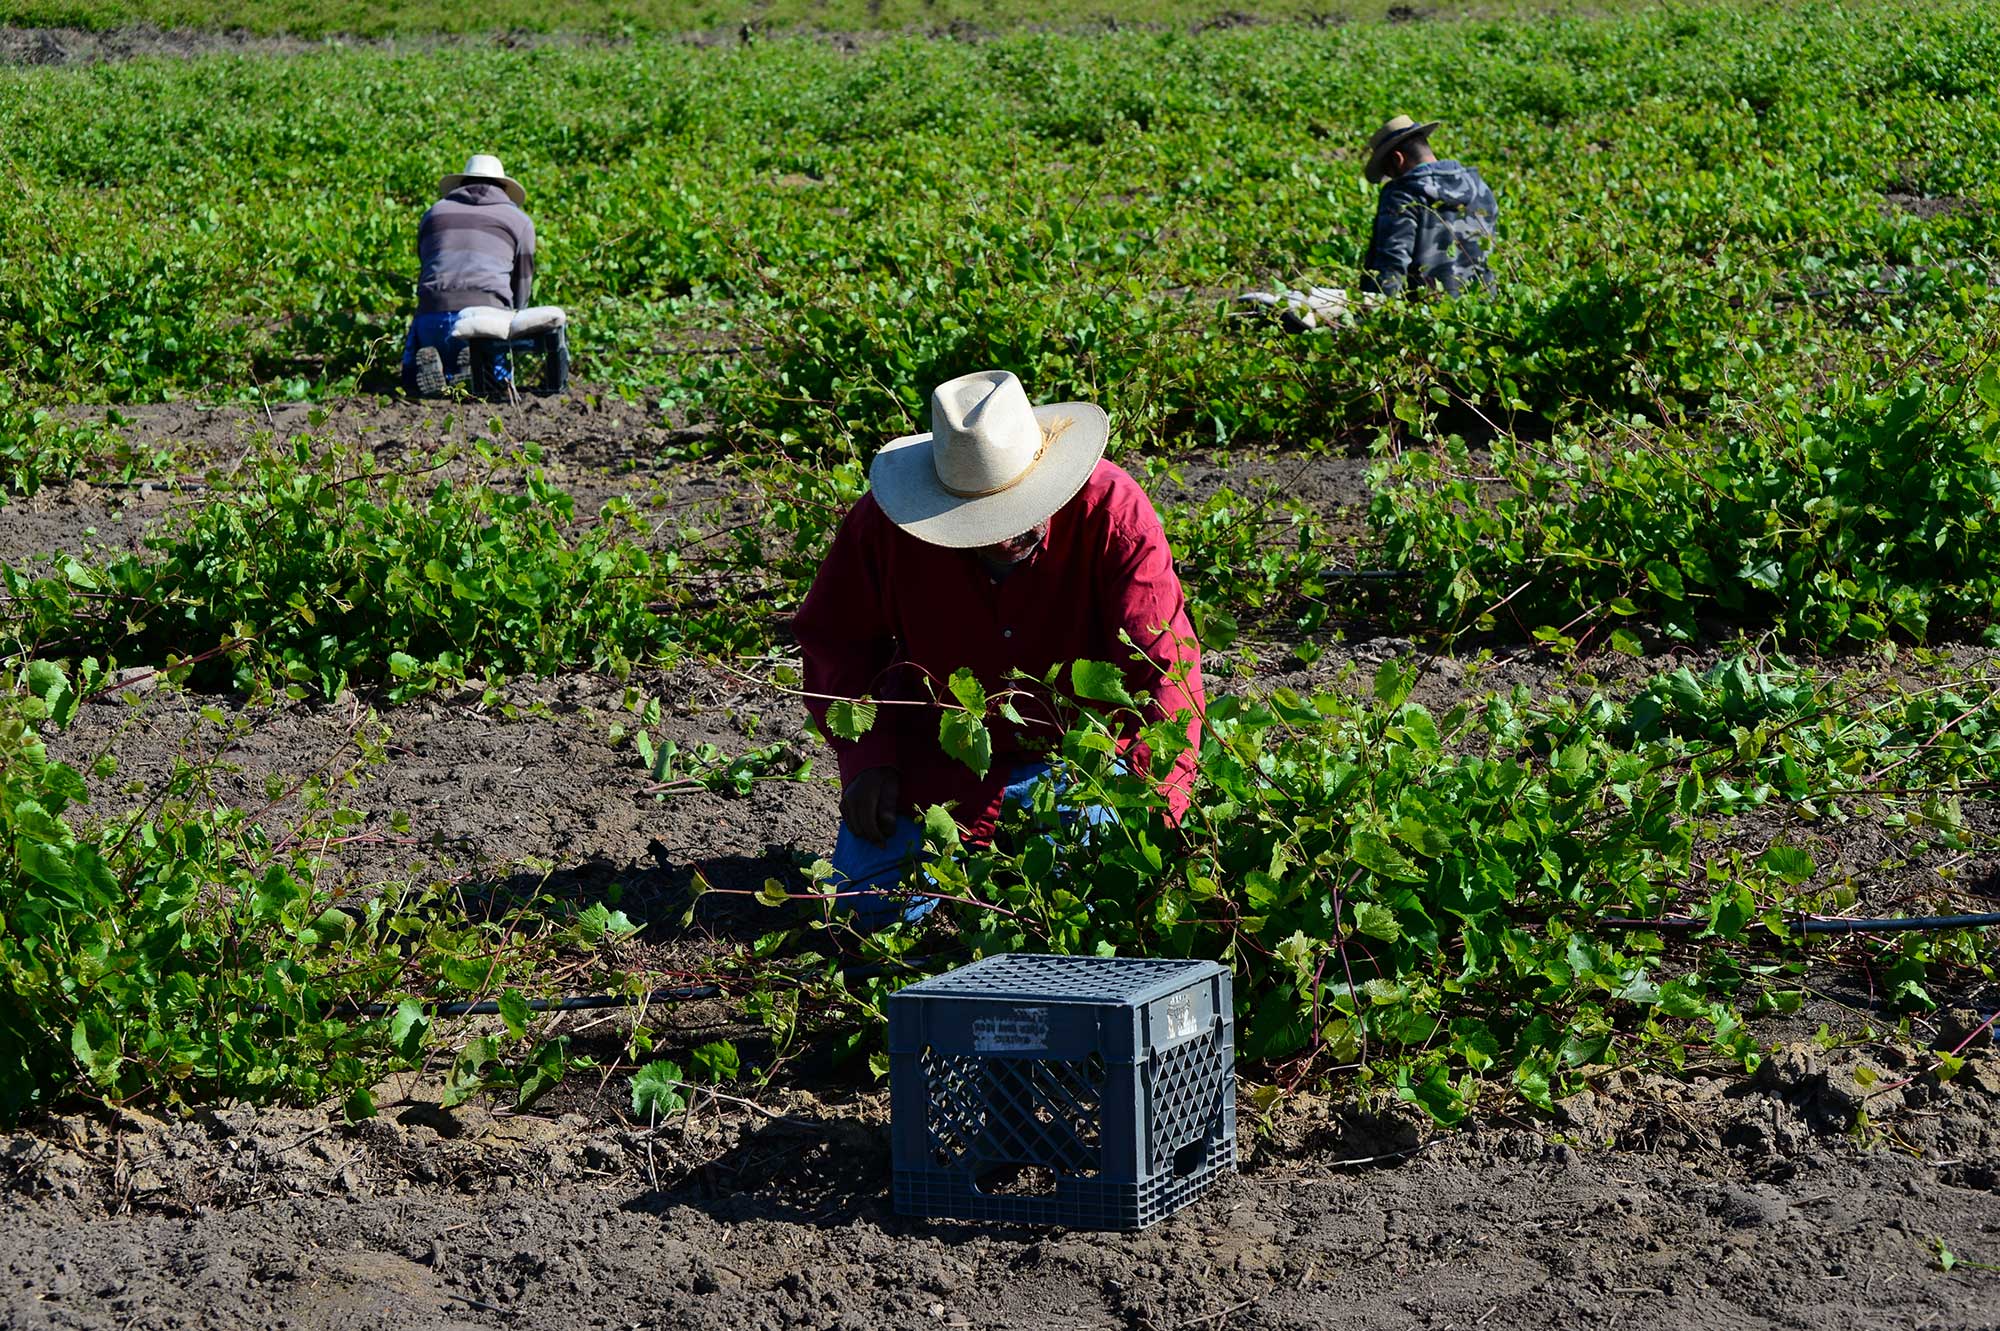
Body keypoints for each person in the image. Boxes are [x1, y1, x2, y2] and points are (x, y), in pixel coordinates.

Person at [792, 370, 1206, 929]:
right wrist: (868, 759)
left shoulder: (1112, 513)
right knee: (866, 919)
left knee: (1092, 915)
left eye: (1015, 512)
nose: (1003, 537)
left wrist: (1155, 801)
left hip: (1083, 761)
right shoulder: (887, 525)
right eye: (982, 523)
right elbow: (835, 642)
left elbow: (1165, 671)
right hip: (938, 766)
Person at [401, 153, 536, 398]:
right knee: (498, 385)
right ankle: (473, 369)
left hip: (432, 317)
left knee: (412, 378)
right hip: (485, 319)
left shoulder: (433, 214)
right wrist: (514, 318)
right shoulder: (519, 220)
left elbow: (427, 265)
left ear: (462, 183)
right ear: (504, 187)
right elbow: (523, 282)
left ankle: (441, 369)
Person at [1360, 115, 1498, 299]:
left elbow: (1391, 267)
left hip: (1426, 317)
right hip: (1483, 312)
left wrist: (1371, 315)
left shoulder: (1402, 194)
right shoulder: (1480, 187)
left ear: (1397, 159)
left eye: (1388, 172)